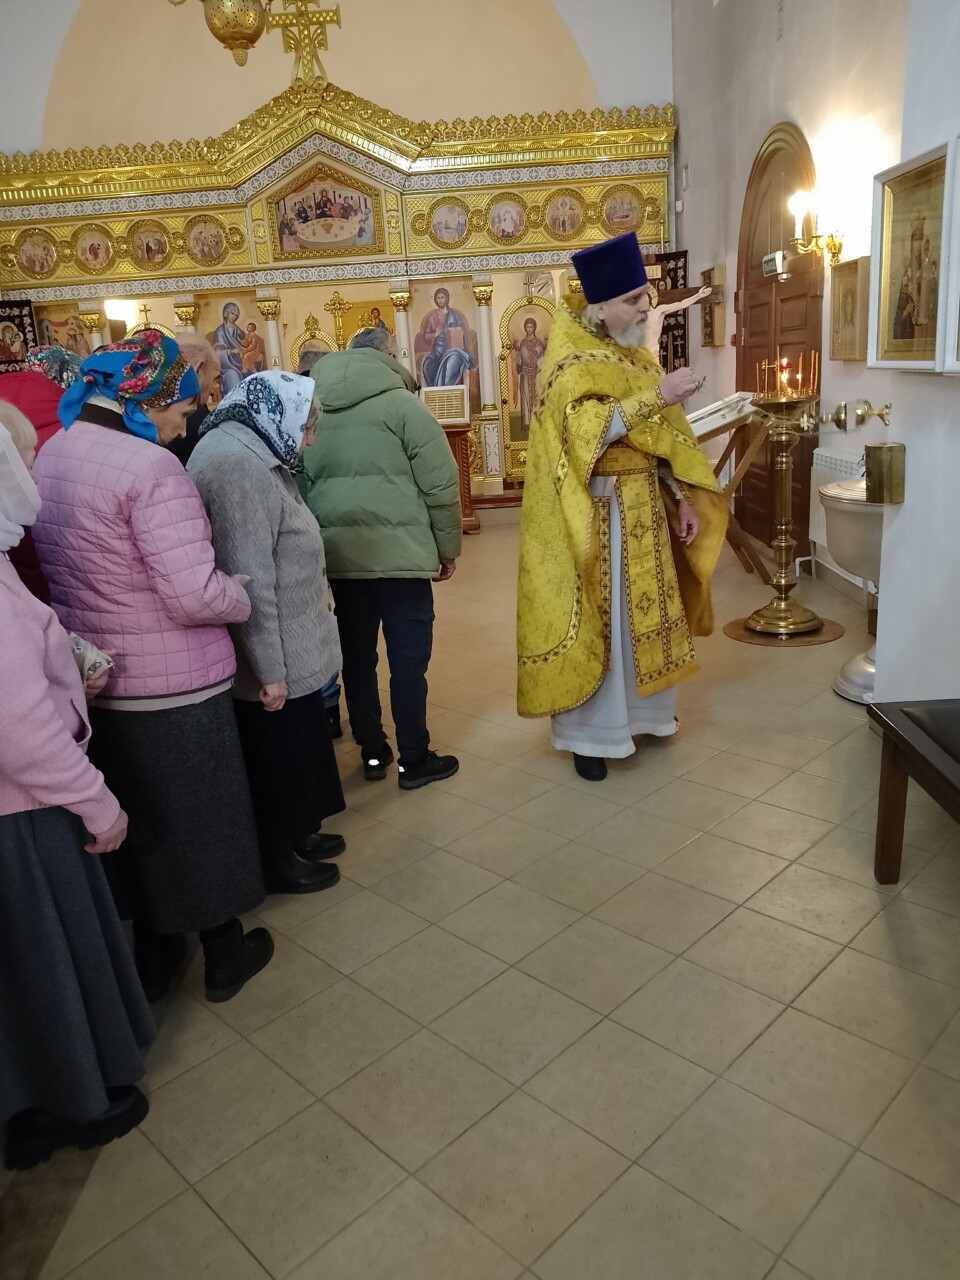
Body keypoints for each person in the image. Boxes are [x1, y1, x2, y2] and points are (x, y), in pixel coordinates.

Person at [32, 332, 274, 1003]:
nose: (184, 424)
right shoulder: (151, 469)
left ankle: (156, 958)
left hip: (99, 678)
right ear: (148, 399)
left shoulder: (57, 451)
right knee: (203, 820)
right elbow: (193, 595)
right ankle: (224, 953)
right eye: (183, 408)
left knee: (142, 820)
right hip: (174, 684)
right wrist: (238, 593)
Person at [0, 421, 155, 1172]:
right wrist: (99, 803)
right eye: (19, 461)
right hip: (22, 816)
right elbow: (19, 731)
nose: (31, 477)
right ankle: (73, 1102)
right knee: (45, 963)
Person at [517, 232, 728, 782]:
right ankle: (589, 737)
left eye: (645, 297)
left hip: (645, 511)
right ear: (601, 305)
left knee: (643, 623)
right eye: (634, 299)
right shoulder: (569, 359)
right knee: (603, 625)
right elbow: (586, 433)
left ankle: (643, 719)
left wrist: (679, 498)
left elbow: (657, 438)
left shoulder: (633, 354)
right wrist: (660, 395)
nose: (644, 308)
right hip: (597, 515)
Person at [188, 373, 345, 890]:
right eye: (306, 428)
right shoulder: (237, 464)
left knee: (298, 746)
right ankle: (280, 858)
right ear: (278, 416)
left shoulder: (254, 445)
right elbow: (250, 577)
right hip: (272, 650)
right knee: (277, 756)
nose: (310, 440)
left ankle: (299, 833)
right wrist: (269, 671)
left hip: (292, 637)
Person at [303, 327, 462, 788]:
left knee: (357, 659)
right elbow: (440, 484)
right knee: (408, 662)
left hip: (340, 558)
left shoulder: (315, 409)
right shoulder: (404, 407)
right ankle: (414, 759)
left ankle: (372, 753)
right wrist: (447, 549)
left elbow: (301, 482)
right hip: (402, 559)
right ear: (389, 356)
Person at [296, 347, 343, 737]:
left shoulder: (296, 412)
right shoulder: (309, 412)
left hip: (310, 534)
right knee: (323, 624)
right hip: (328, 533)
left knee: (320, 624)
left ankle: (326, 706)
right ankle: (328, 707)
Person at [165, 334, 221, 466]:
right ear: (198, 370)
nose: (213, 391)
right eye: (214, 379)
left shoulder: (142, 413)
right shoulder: (204, 423)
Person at [418, 287, 475, 387]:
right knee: (428, 366)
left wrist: (457, 333)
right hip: (437, 352)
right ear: (435, 300)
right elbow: (426, 337)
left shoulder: (454, 316)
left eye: (442, 297)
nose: (440, 300)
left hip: (453, 351)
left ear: (447, 299)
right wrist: (434, 335)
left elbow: (461, 334)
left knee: (450, 366)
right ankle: (436, 392)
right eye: (438, 298)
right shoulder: (433, 317)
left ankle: (447, 391)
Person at [514, 316, 546, 431]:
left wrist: (540, 369)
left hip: (537, 374)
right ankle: (527, 423)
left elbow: (542, 358)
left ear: (534, 328)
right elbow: (519, 359)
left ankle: (538, 423)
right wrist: (519, 365)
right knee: (526, 397)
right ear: (525, 328)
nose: (529, 329)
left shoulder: (539, 343)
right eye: (527, 327)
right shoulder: (523, 343)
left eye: (531, 327)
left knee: (537, 396)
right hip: (525, 374)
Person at [211, 302, 245, 394]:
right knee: (233, 375)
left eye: (236, 315)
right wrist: (231, 351)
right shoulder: (220, 331)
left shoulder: (238, 330)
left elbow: (245, 342)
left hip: (241, 362)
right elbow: (217, 353)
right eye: (232, 313)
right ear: (226, 313)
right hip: (227, 366)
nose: (234, 317)